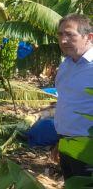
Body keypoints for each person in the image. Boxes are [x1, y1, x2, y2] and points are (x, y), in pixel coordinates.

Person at [54, 13, 93, 180]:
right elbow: (66, 103)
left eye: (70, 34)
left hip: (87, 148)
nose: (63, 40)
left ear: (88, 37)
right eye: (60, 34)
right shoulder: (66, 65)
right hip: (66, 143)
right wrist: (60, 141)